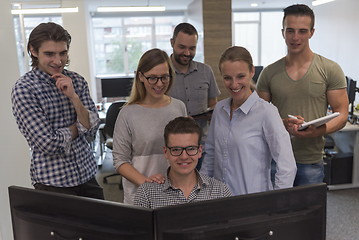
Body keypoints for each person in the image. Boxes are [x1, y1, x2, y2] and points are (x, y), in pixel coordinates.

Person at [256, 4, 348, 186]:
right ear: (282, 32)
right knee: (275, 213)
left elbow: (342, 114)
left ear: (312, 32)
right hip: (276, 158)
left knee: (309, 214)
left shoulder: (330, 69)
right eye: (290, 31)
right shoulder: (269, 72)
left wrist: (319, 130)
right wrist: (282, 124)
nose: (295, 37)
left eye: (302, 31)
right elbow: (257, 116)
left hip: (310, 160)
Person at [11, 22, 104, 199]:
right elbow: (49, 143)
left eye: (63, 53)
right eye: (49, 54)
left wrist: (74, 98)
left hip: (87, 175)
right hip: (53, 184)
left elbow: (92, 130)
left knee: (106, 225)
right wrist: (78, 127)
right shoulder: (24, 89)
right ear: (33, 51)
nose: (58, 60)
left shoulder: (77, 80)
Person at [200, 46, 297, 196]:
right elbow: (211, 156)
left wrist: (277, 203)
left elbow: (287, 166)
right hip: (218, 201)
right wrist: (203, 192)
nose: (234, 84)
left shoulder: (267, 113)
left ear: (252, 71)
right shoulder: (219, 110)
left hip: (253, 203)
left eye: (240, 76)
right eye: (227, 78)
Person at [112, 48, 187, 204]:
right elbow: (120, 161)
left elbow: (183, 151)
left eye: (164, 77)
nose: (159, 84)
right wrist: (147, 183)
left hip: (174, 191)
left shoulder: (179, 107)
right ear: (141, 77)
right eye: (152, 78)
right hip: (140, 193)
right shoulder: (127, 114)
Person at [134, 117, 232, 209]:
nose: (184, 157)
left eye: (191, 149)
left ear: (200, 151)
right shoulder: (146, 194)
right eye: (176, 149)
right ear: (165, 152)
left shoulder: (220, 192)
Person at [168, 22, 221, 170]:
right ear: (172, 43)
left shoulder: (206, 71)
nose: (187, 53)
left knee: (202, 188)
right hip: (173, 149)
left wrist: (211, 113)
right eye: (182, 47)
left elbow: (213, 104)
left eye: (192, 48)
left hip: (201, 146)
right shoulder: (163, 73)